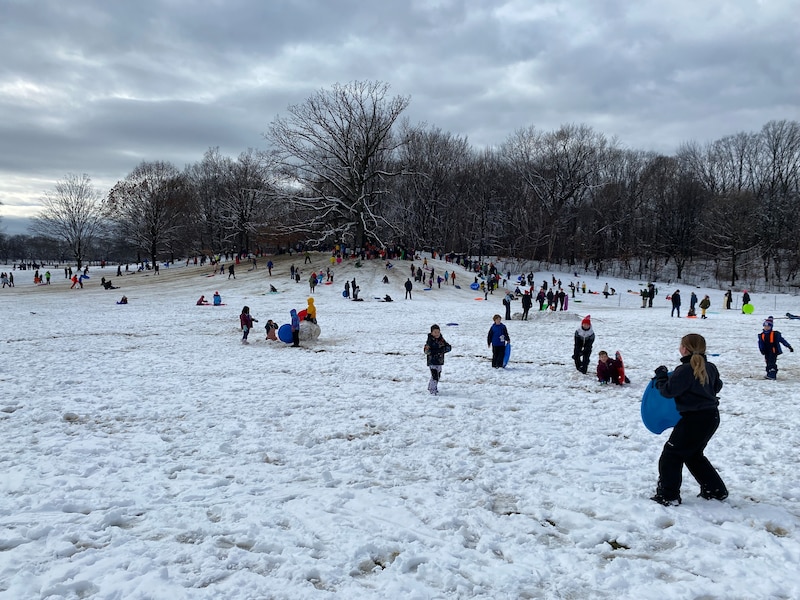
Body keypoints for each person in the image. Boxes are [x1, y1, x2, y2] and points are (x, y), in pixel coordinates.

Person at [650, 333, 727, 506]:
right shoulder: (710, 367)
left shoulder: (684, 370)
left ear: (684, 349)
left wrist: (662, 377)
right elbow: (717, 386)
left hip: (694, 420)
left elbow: (668, 392)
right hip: (711, 417)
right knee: (693, 454)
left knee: (671, 455)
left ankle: (668, 495)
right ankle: (715, 490)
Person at [424, 324, 452, 395]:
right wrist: (435, 351)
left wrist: (443, 350)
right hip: (432, 361)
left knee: (438, 375)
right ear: (431, 333)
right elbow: (426, 351)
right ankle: (432, 390)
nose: (437, 334)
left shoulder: (441, 340)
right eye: (435, 332)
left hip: (439, 361)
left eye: (438, 332)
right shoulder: (430, 341)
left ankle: (431, 387)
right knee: (434, 376)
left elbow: (448, 347)